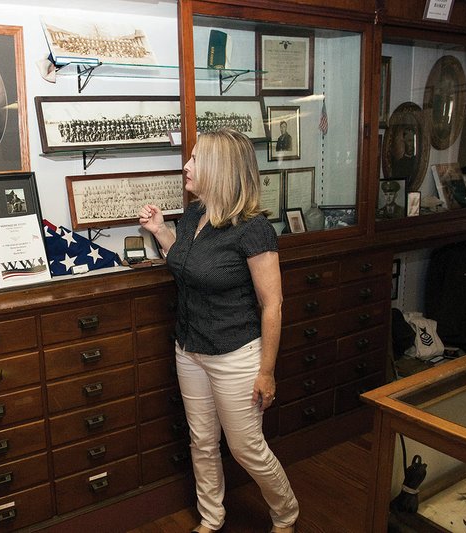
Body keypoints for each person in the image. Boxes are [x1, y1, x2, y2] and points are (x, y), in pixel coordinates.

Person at [138, 129, 299, 533]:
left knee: (246, 447)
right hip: (189, 347)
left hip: (235, 353)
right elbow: (187, 262)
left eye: (195, 159)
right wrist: (161, 230)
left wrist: (266, 371)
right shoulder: (194, 213)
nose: (186, 166)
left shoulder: (253, 229)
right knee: (203, 442)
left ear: (220, 169)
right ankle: (212, 517)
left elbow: (272, 305)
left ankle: (287, 513)